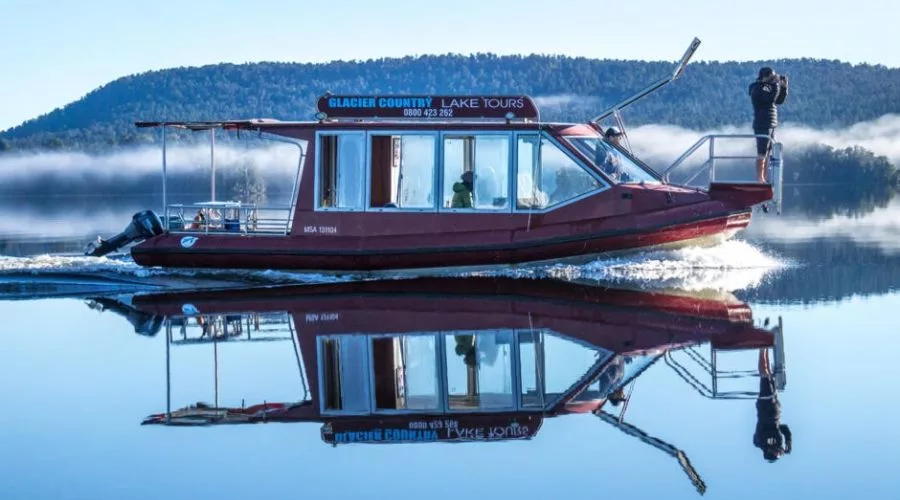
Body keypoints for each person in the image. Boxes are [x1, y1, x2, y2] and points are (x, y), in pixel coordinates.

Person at [749, 67, 789, 183]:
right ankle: (760, 178)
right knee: (762, 151)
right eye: (771, 77)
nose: (773, 79)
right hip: (762, 123)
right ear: (764, 76)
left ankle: (763, 178)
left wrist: (784, 88)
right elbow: (770, 98)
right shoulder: (757, 88)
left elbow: (778, 101)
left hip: (771, 123)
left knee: (767, 152)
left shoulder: (770, 88)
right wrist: (776, 85)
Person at [753, 348, 792, 462]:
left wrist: (770, 447)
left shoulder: (762, 442)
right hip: (774, 404)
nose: (779, 451)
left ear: (770, 452)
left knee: (764, 374)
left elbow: (762, 432)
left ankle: (761, 349)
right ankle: (765, 348)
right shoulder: (779, 442)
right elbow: (783, 428)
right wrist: (788, 441)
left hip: (766, 406)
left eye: (777, 453)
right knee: (768, 373)